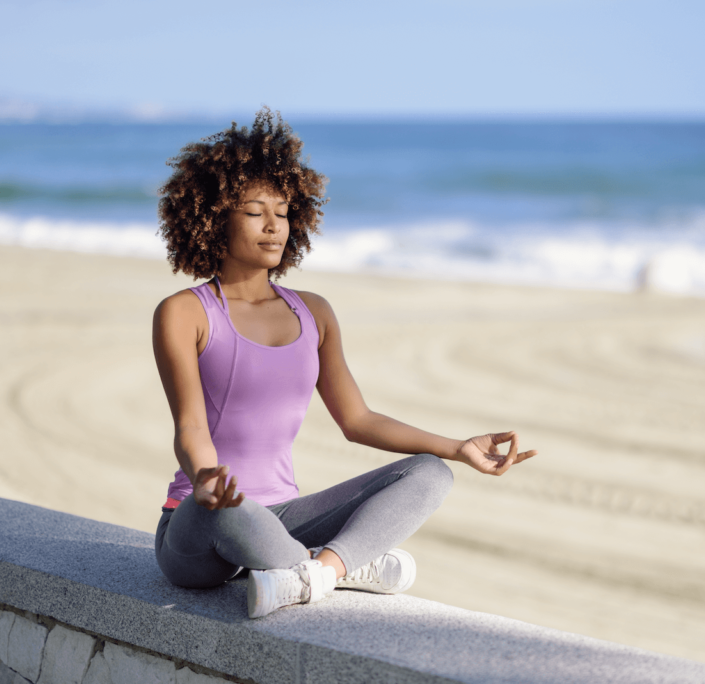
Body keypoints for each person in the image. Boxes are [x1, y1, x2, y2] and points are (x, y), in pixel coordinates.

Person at [151, 109, 537, 619]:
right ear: (215, 216)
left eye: (284, 212)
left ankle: (318, 571)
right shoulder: (185, 312)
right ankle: (345, 567)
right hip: (202, 524)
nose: (274, 227)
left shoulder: (313, 312)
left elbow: (358, 421)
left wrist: (457, 447)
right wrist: (204, 477)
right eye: (254, 212)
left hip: (281, 521)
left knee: (430, 474)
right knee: (226, 502)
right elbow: (191, 426)